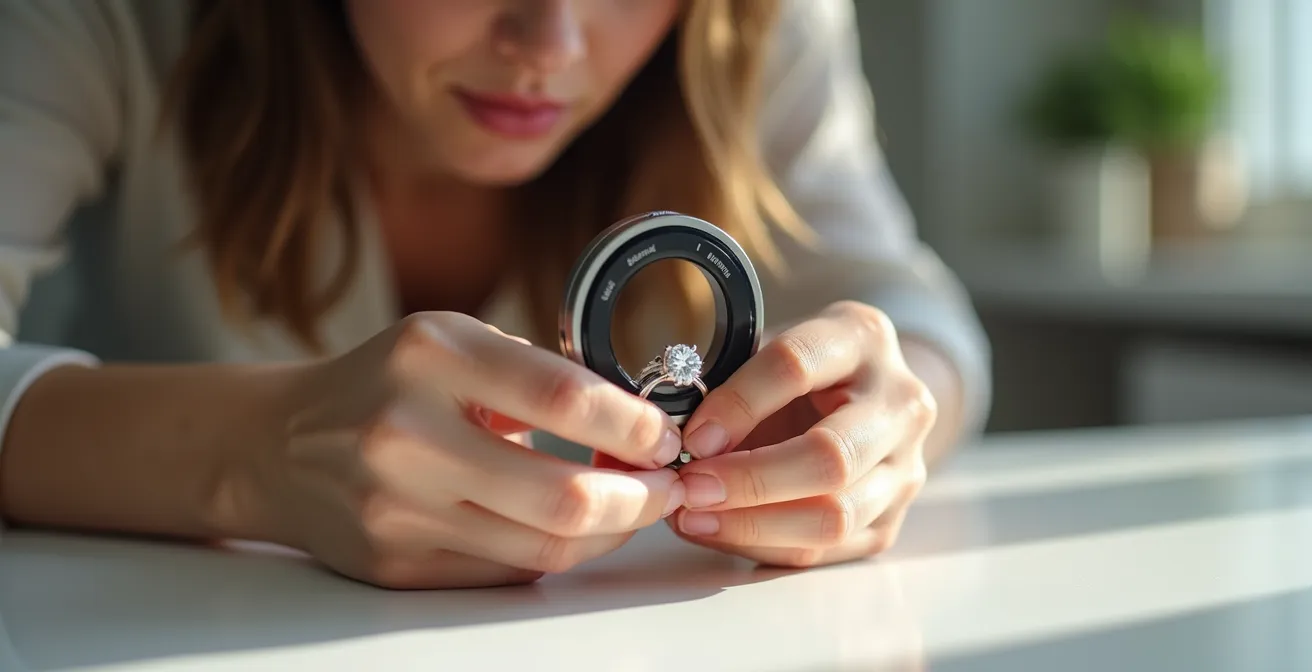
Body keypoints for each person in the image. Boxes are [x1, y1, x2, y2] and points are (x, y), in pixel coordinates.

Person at [0, 0, 991, 589]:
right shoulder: (108, 20)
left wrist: (883, 423)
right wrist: (248, 456)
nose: (547, 43)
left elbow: (914, 318)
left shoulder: (747, 23)